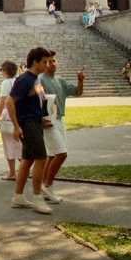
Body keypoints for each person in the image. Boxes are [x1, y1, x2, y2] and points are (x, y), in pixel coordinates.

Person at [7, 47, 54, 215]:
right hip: (27, 125)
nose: (47, 64)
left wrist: (41, 118)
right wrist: (16, 126)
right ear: (35, 62)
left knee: (27, 160)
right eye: (44, 62)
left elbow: (31, 101)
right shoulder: (25, 79)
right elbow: (9, 102)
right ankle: (37, 197)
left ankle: (18, 197)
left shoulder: (35, 79)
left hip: (34, 122)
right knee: (41, 158)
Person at [39, 54, 85, 204]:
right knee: (61, 154)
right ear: (43, 63)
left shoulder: (60, 81)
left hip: (59, 120)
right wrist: (41, 119)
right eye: (48, 61)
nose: (51, 63)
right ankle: (47, 185)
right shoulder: (40, 80)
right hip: (48, 121)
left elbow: (77, 92)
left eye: (53, 61)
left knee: (52, 155)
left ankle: (45, 188)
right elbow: (35, 100)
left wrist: (80, 80)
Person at [0, 60, 22, 181]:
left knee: (8, 145)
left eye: (2, 70)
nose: (1, 72)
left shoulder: (6, 83)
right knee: (20, 144)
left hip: (8, 115)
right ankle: (23, 170)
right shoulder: (18, 80)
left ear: (6, 71)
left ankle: (12, 173)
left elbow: (3, 101)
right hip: (19, 114)